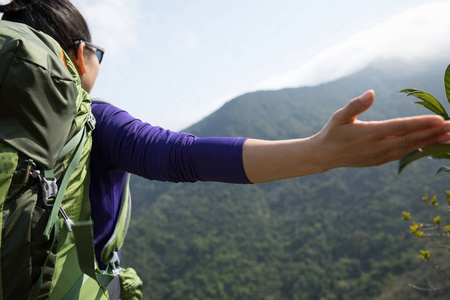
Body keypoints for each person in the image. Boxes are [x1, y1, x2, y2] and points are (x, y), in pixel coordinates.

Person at [2, 0, 450, 287]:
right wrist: (318, 153)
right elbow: (181, 155)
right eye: (97, 53)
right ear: (79, 55)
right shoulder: (94, 120)